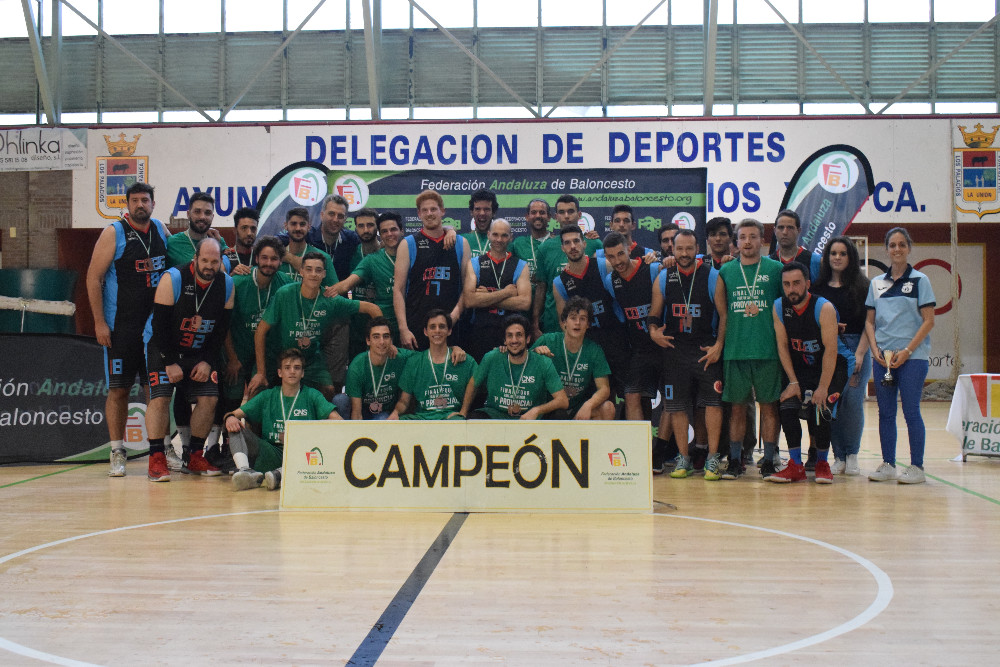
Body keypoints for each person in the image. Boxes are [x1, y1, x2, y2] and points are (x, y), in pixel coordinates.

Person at [86, 182, 169, 477]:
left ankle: (160, 449)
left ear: (153, 203)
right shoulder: (114, 233)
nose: (140, 205)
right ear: (127, 204)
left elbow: (179, 259)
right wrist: (99, 322)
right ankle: (117, 450)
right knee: (119, 390)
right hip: (121, 328)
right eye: (135, 201)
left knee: (155, 391)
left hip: (154, 329)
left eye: (145, 200)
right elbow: (93, 279)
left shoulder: (160, 229)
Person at [144, 238, 234, 482]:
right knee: (160, 397)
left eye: (215, 261)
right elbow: (159, 326)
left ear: (220, 262)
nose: (209, 265)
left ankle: (194, 455)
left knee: (209, 398)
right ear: (195, 258)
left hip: (199, 352)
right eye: (204, 260)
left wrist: (207, 361)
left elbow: (220, 331)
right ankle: (156, 458)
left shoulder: (227, 284)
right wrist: (169, 361)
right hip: (164, 348)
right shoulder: (172, 278)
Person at [710, 218, 784, 480]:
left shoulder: (776, 270)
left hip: (768, 349)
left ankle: (769, 459)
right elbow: (722, 312)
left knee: (769, 407)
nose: (748, 242)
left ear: (762, 240)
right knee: (738, 409)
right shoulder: (726, 271)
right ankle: (735, 460)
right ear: (736, 242)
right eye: (743, 237)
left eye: (753, 236)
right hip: (736, 349)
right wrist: (720, 343)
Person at [250, 252, 380, 400]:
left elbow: (373, 309)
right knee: (257, 390)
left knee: (329, 391)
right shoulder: (284, 294)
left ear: (324, 274)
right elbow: (260, 331)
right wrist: (261, 372)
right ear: (301, 272)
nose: (313, 274)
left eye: (318, 270)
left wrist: (378, 341)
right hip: (278, 356)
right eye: (309, 269)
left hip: (310, 359)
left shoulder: (330, 299)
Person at [649, 229, 725, 480]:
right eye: (679, 249)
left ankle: (713, 458)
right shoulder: (664, 277)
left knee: (712, 404)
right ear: (672, 249)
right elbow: (654, 314)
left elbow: (724, 316)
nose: (683, 254)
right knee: (676, 406)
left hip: (705, 349)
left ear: (697, 249)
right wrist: (653, 332)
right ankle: (684, 457)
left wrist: (719, 345)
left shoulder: (712, 275)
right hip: (675, 350)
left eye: (689, 249)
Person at [768, 262, 849, 484]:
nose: (791, 289)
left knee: (820, 408)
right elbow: (783, 346)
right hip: (800, 367)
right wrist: (793, 382)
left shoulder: (824, 308)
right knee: (786, 404)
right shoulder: (778, 307)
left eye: (796, 283)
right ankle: (795, 465)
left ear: (807, 284)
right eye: (786, 284)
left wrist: (823, 388)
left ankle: (822, 463)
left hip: (831, 366)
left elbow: (831, 352)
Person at [866, 227, 935, 484]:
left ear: (909, 248)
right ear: (886, 249)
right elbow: (870, 322)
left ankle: (917, 467)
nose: (896, 249)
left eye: (901, 245)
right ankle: (888, 464)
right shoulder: (876, 283)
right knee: (885, 412)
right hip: (883, 358)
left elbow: (928, 321)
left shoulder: (921, 280)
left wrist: (907, 351)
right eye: (892, 245)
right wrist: (875, 350)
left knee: (911, 410)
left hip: (912, 358)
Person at [224, 347, 340, 492]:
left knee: (315, 453)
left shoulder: (312, 395)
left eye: (297, 368)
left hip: (302, 452)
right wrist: (229, 418)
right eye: (287, 368)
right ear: (280, 372)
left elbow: (338, 422)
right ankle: (245, 472)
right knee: (235, 428)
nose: (292, 371)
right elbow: (232, 414)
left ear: (302, 373)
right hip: (271, 451)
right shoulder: (268, 396)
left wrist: (300, 433)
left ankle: (279, 475)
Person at [813, 236, 871, 475]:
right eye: (833, 253)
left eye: (843, 253)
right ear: (827, 257)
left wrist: (859, 354)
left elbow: (870, 324)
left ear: (851, 257)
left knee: (853, 402)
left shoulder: (863, 286)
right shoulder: (818, 288)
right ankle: (838, 456)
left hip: (857, 347)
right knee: (832, 401)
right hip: (829, 350)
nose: (837, 257)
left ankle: (852, 454)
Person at [552, 225, 629, 397]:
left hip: (617, 340)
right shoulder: (560, 282)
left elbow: (630, 281)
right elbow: (563, 322)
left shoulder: (604, 265)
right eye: (567, 243)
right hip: (589, 346)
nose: (573, 246)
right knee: (598, 399)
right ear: (562, 248)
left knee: (629, 395)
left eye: (576, 241)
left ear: (584, 243)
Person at [394, 189, 471, 350]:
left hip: (451, 326)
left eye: (433, 209)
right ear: (419, 214)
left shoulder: (461, 243)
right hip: (417, 326)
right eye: (425, 210)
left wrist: (453, 317)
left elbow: (467, 288)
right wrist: (403, 329)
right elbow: (398, 290)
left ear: (442, 211)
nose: (429, 214)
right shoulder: (408, 244)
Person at [221, 236, 289, 419]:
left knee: (257, 393)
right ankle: (226, 441)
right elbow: (224, 325)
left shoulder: (286, 284)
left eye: (274, 259)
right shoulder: (238, 283)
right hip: (238, 350)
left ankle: (254, 442)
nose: (269, 263)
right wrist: (233, 359)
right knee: (231, 397)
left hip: (267, 352)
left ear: (281, 262)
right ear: (256, 258)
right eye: (264, 258)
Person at [602, 231, 661, 422]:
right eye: (611, 256)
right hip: (640, 350)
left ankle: (666, 450)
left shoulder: (652, 269)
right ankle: (637, 451)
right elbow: (620, 314)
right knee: (631, 396)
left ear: (629, 249)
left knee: (673, 399)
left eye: (620, 254)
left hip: (665, 345)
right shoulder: (611, 282)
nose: (617, 260)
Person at [461, 314, 568, 420]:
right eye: (509, 335)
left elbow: (563, 400)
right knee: (475, 417)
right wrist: (463, 412)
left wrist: (537, 410)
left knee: (560, 415)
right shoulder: (491, 357)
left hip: (530, 418)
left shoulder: (543, 362)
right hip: (496, 416)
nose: (514, 340)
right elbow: (473, 383)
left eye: (519, 335)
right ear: (505, 340)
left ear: (528, 339)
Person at [531, 296, 615, 420]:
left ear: (588, 324)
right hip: (550, 407)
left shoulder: (594, 350)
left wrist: (588, 404)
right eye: (573, 318)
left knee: (608, 407)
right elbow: (523, 363)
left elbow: (604, 388)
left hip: (577, 409)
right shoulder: (547, 340)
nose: (577, 323)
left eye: (582, 319)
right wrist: (535, 352)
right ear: (564, 322)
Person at [328, 211, 403, 342]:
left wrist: (450, 231)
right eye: (361, 226)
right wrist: (318, 293)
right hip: (367, 323)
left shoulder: (411, 251)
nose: (366, 230)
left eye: (370, 225)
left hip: (405, 322)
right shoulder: (358, 254)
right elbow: (346, 285)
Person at [462, 218, 531, 360]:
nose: (499, 239)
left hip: (511, 334)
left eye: (504, 235)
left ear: (511, 237)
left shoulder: (520, 265)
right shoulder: (475, 263)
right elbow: (469, 300)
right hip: (481, 332)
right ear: (488, 235)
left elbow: (524, 302)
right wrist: (506, 293)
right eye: (495, 235)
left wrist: (486, 297)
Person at [533, 195, 602, 334]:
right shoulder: (545, 248)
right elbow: (541, 286)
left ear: (579, 214)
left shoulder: (595, 243)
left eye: (571, 211)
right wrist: (534, 323)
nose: (566, 216)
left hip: (592, 323)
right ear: (556, 216)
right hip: (553, 323)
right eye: (562, 212)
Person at [394, 310, 479, 420]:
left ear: (449, 331)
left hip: (451, 418)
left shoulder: (465, 360)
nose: (437, 331)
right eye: (432, 327)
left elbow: (478, 382)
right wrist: (395, 413)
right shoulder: (414, 361)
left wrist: (463, 412)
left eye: (442, 327)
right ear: (426, 331)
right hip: (422, 418)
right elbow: (404, 402)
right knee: (402, 422)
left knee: (460, 422)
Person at [344, 317, 415, 420]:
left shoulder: (400, 357)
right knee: (340, 400)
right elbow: (356, 413)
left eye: (386, 337)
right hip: (362, 410)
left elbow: (423, 357)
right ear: (368, 340)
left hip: (384, 412)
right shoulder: (357, 366)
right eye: (376, 337)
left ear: (391, 340)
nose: (382, 342)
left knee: (382, 419)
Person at [510, 198, 554, 338]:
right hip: (522, 311)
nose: (538, 216)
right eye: (533, 212)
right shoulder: (518, 244)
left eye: (542, 212)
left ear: (549, 217)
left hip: (549, 310)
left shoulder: (557, 243)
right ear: (527, 217)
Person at [165, 191, 229, 269]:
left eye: (207, 213)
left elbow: (230, 264)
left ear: (212, 217)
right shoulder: (172, 243)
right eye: (197, 212)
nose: (202, 217)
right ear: (188, 214)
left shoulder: (217, 240)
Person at [278, 207, 338, 287]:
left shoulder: (324, 257)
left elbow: (334, 291)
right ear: (286, 226)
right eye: (293, 224)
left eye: (302, 224)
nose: (298, 228)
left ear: (309, 227)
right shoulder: (276, 256)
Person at [770, 209, 821, 281]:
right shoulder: (767, 262)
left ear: (799, 231)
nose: (785, 232)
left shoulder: (815, 260)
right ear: (775, 230)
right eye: (781, 227)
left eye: (790, 228)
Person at [463, 188, 497, 256]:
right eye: (478, 209)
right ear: (472, 212)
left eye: (486, 209)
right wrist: (449, 230)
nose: (482, 213)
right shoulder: (462, 240)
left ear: (493, 212)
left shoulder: (502, 242)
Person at [227, 206, 259, 275]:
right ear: (235, 230)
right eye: (244, 228)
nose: (249, 233)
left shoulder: (261, 256)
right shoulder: (226, 257)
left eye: (253, 228)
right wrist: (232, 275)